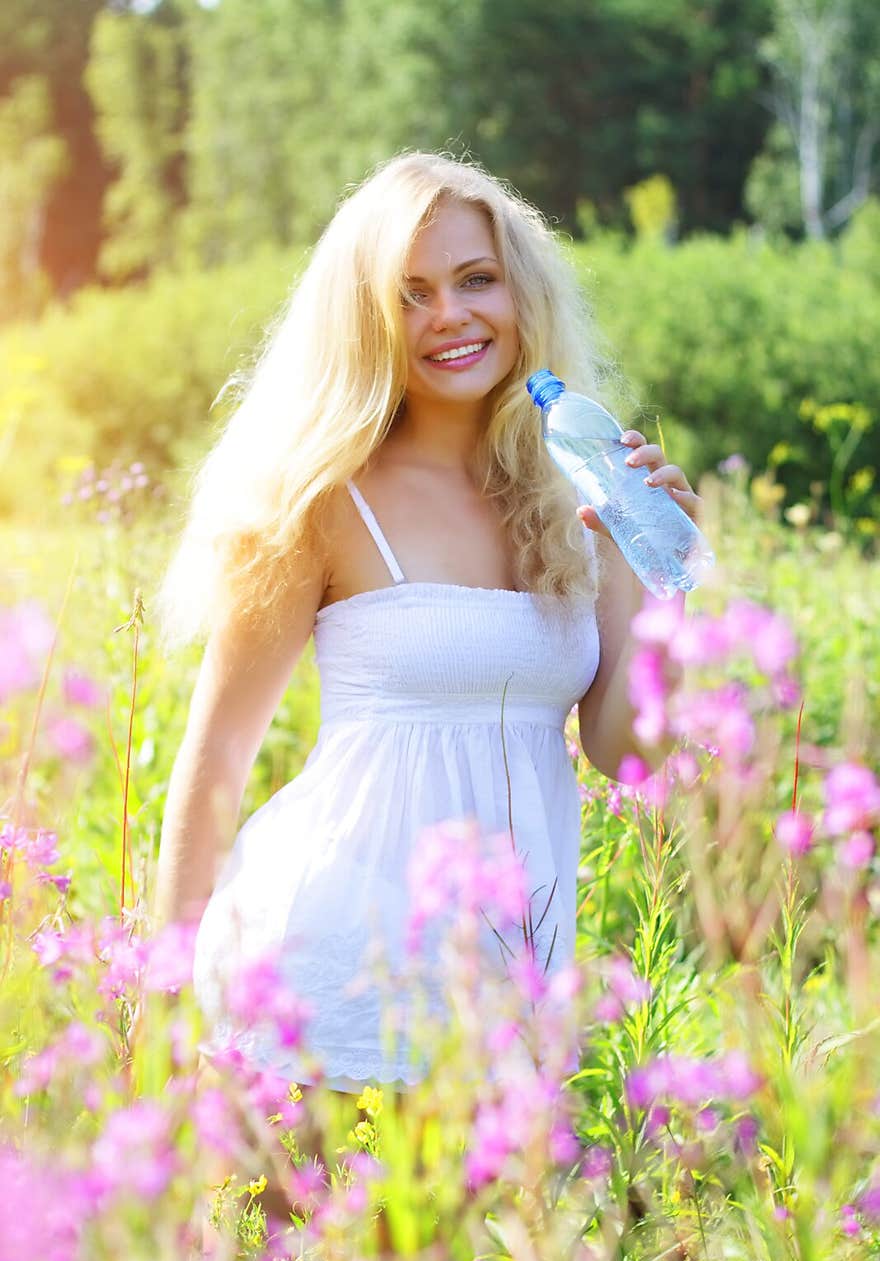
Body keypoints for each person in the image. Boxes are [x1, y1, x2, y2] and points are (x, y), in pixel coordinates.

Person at [151, 149, 701, 1107]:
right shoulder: (319, 501)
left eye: (475, 279)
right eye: (410, 294)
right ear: (367, 322)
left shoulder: (576, 486)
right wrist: (156, 1024)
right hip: (328, 979)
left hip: (510, 992)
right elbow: (216, 764)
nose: (450, 314)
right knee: (312, 1260)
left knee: (482, 1259)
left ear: (520, 292)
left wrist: (661, 579)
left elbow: (629, 756)